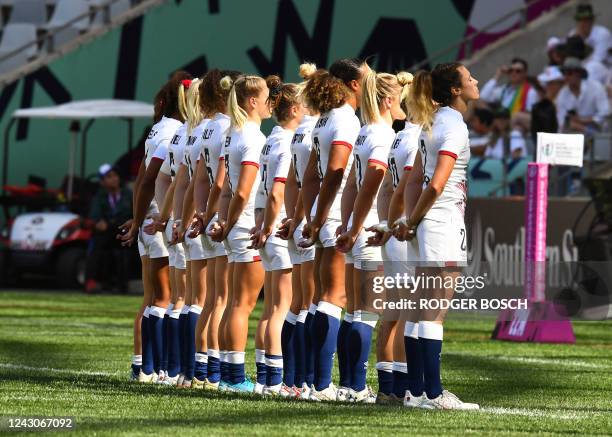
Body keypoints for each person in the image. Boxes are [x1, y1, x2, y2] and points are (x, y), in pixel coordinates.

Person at [394, 62, 480, 410]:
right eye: (469, 78)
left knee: (419, 310)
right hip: (441, 223)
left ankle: (416, 391)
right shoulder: (453, 127)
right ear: (456, 90)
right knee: (434, 311)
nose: (476, 80)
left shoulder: (432, 123)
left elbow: (414, 180)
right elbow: (437, 183)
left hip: (426, 224)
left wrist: (410, 220)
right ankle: (433, 394)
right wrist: (414, 220)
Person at [335, 67, 409, 403]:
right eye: (400, 100)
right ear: (389, 100)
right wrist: (356, 225)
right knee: (365, 311)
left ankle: (349, 384)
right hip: (371, 231)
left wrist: (348, 222)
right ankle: (354, 386)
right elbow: (370, 181)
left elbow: (350, 183)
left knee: (353, 311)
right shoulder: (382, 135)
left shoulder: (365, 132)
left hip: (358, 229)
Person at [300, 58, 365, 402]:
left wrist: (312, 215)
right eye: (366, 78)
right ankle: (323, 384)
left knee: (320, 298)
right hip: (338, 211)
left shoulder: (324, 119)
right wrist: (323, 215)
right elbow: (337, 172)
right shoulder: (345, 119)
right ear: (353, 84)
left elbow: (311, 174)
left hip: (324, 211)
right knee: (333, 297)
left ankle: (313, 380)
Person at [120, 71, 191, 383]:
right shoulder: (174, 133)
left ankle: (142, 366)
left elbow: (140, 178)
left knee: (152, 298)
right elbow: (150, 179)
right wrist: (141, 220)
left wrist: (138, 218)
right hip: (161, 221)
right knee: (167, 298)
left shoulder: (158, 130)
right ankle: (156, 367)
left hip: (150, 220)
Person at [207, 74, 270, 393]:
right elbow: (243, 192)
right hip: (246, 226)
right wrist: (229, 224)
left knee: (233, 302)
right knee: (242, 305)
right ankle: (233, 378)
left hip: (236, 226)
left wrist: (222, 222)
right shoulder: (252, 138)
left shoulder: (235, 134)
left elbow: (228, 190)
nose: (271, 102)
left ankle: (226, 374)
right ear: (252, 101)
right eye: (267, 96)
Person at [250, 76, 304, 397]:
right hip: (278, 226)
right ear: (295, 109)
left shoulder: (271, 138)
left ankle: (263, 378)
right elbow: (277, 192)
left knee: (271, 308)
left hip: (267, 227)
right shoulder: (285, 142)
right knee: (281, 308)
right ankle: (275, 381)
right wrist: (269, 225)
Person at [189, 69, 241, 390]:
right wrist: (214, 216)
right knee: (222, 298)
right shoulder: (226, 128)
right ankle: (217, 371)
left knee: (210, 300)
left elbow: (197, 178)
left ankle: (202, 369)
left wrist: (199, 214)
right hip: (220, 216)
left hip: (207, 215)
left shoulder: (204, 129)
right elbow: (220, 179)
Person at [275, 63, 319, 400]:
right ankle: (308, 379)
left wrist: (293, 216)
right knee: (314, 304)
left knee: (296, 305)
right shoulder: (317, 130)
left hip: (299, 221)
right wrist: (303, 218)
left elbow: (292, 181)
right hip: (315, 223)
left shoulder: (297, 133)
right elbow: (314, 181)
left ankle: (293, 378)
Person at [85, 163, 132, 293]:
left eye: (115, 176)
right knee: (97, 243)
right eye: (109, 177)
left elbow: (134, 213)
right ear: (102, 182)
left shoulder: (128, 194)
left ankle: (122, 284)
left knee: (125, 245)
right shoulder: (99, 196)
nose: (114, 179)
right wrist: (98, 222)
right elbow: (94, 215)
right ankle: (91, 281)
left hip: (124, 229)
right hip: (106, 231)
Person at [557, 57, 610, 133]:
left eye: (569, 73)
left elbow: (604, 113)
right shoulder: (562, 94)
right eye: (564, 73)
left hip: (598, 132)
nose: (566, 77)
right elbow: (561, 120)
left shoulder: (595, 87)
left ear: (579, 73)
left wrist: (583, 121)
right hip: (574, 133)